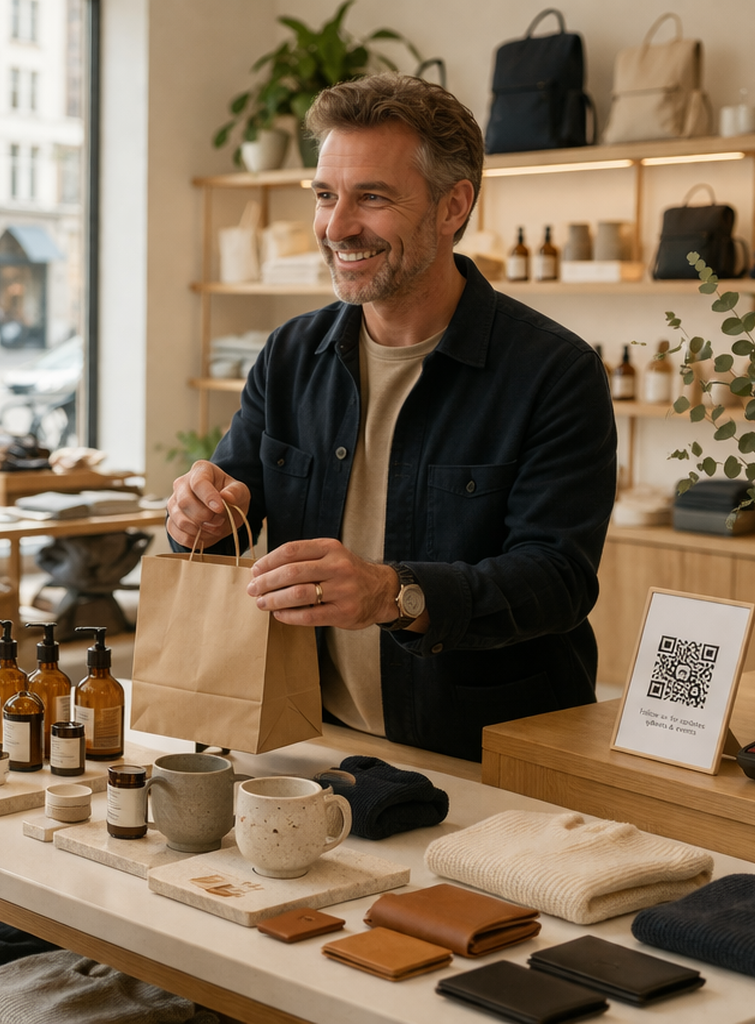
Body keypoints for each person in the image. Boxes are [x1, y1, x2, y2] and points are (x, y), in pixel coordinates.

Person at [168, 75, 616, 762]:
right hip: (314, 742)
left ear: (452, 205)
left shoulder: (555, 373)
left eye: (371, 197)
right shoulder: (291, 354)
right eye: (325, 195)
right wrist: (195, 513)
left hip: (489, 755)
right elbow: (229, 518)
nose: (336, 227)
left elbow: (557, 581)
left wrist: (392, 593)